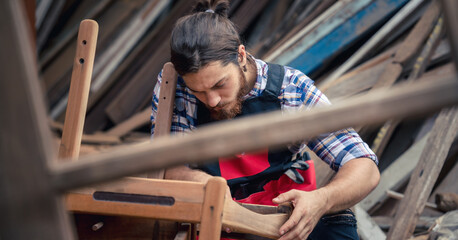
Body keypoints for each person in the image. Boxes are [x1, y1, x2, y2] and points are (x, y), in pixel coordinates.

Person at [151, 0, 380, 239]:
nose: (212, 101)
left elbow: (364, 166)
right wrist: (204, 184)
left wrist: (321, 200)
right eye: (199, 91)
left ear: (240, 55)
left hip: (284, 213)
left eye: (220, 84)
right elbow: (165, 164)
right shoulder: (175, 87)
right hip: (217, 213)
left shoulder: (291, 89)